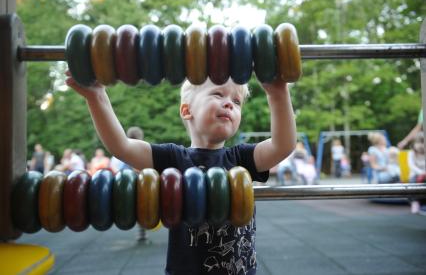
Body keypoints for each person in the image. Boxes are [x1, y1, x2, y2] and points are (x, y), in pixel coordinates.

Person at [65, 68, 296, 275]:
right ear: (187, 110)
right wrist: (96, 97)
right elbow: (121, 146)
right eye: (218, 94)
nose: (229, 103)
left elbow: (282, 145)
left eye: (236, 101)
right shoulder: (173, 158)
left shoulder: (241, 158)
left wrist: (277, 94)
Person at [111, 126, 148, 242]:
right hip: (140, 182)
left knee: (132, 208)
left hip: (125, 185)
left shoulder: (121, 148)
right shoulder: (144, 148)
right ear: (140, 136)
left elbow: (115, 167)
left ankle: (140, 232)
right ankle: (142, 233)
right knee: (143, 208)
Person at [407, 132, 426, 214]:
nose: (420, 145)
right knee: (412, 183)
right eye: (418, 143)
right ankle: (415, 202)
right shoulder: (411, 153)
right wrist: (421, 172)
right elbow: (411, 165)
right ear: (414, 144)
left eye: (423, 143)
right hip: (415, 174)